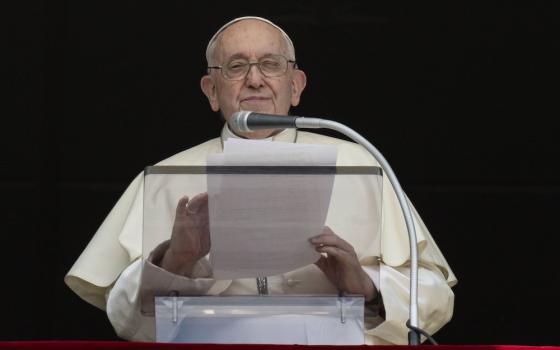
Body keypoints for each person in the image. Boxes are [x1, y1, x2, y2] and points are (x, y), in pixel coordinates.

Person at [65, 16, 457, 344]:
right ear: (211, 91)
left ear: (296, 85)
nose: (254, 80)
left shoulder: (362, 163)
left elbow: (435, 298)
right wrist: (175, 262)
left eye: (271, 64)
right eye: (235, 67)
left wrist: (365, 286)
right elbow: (124, 319)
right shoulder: (168, 176)